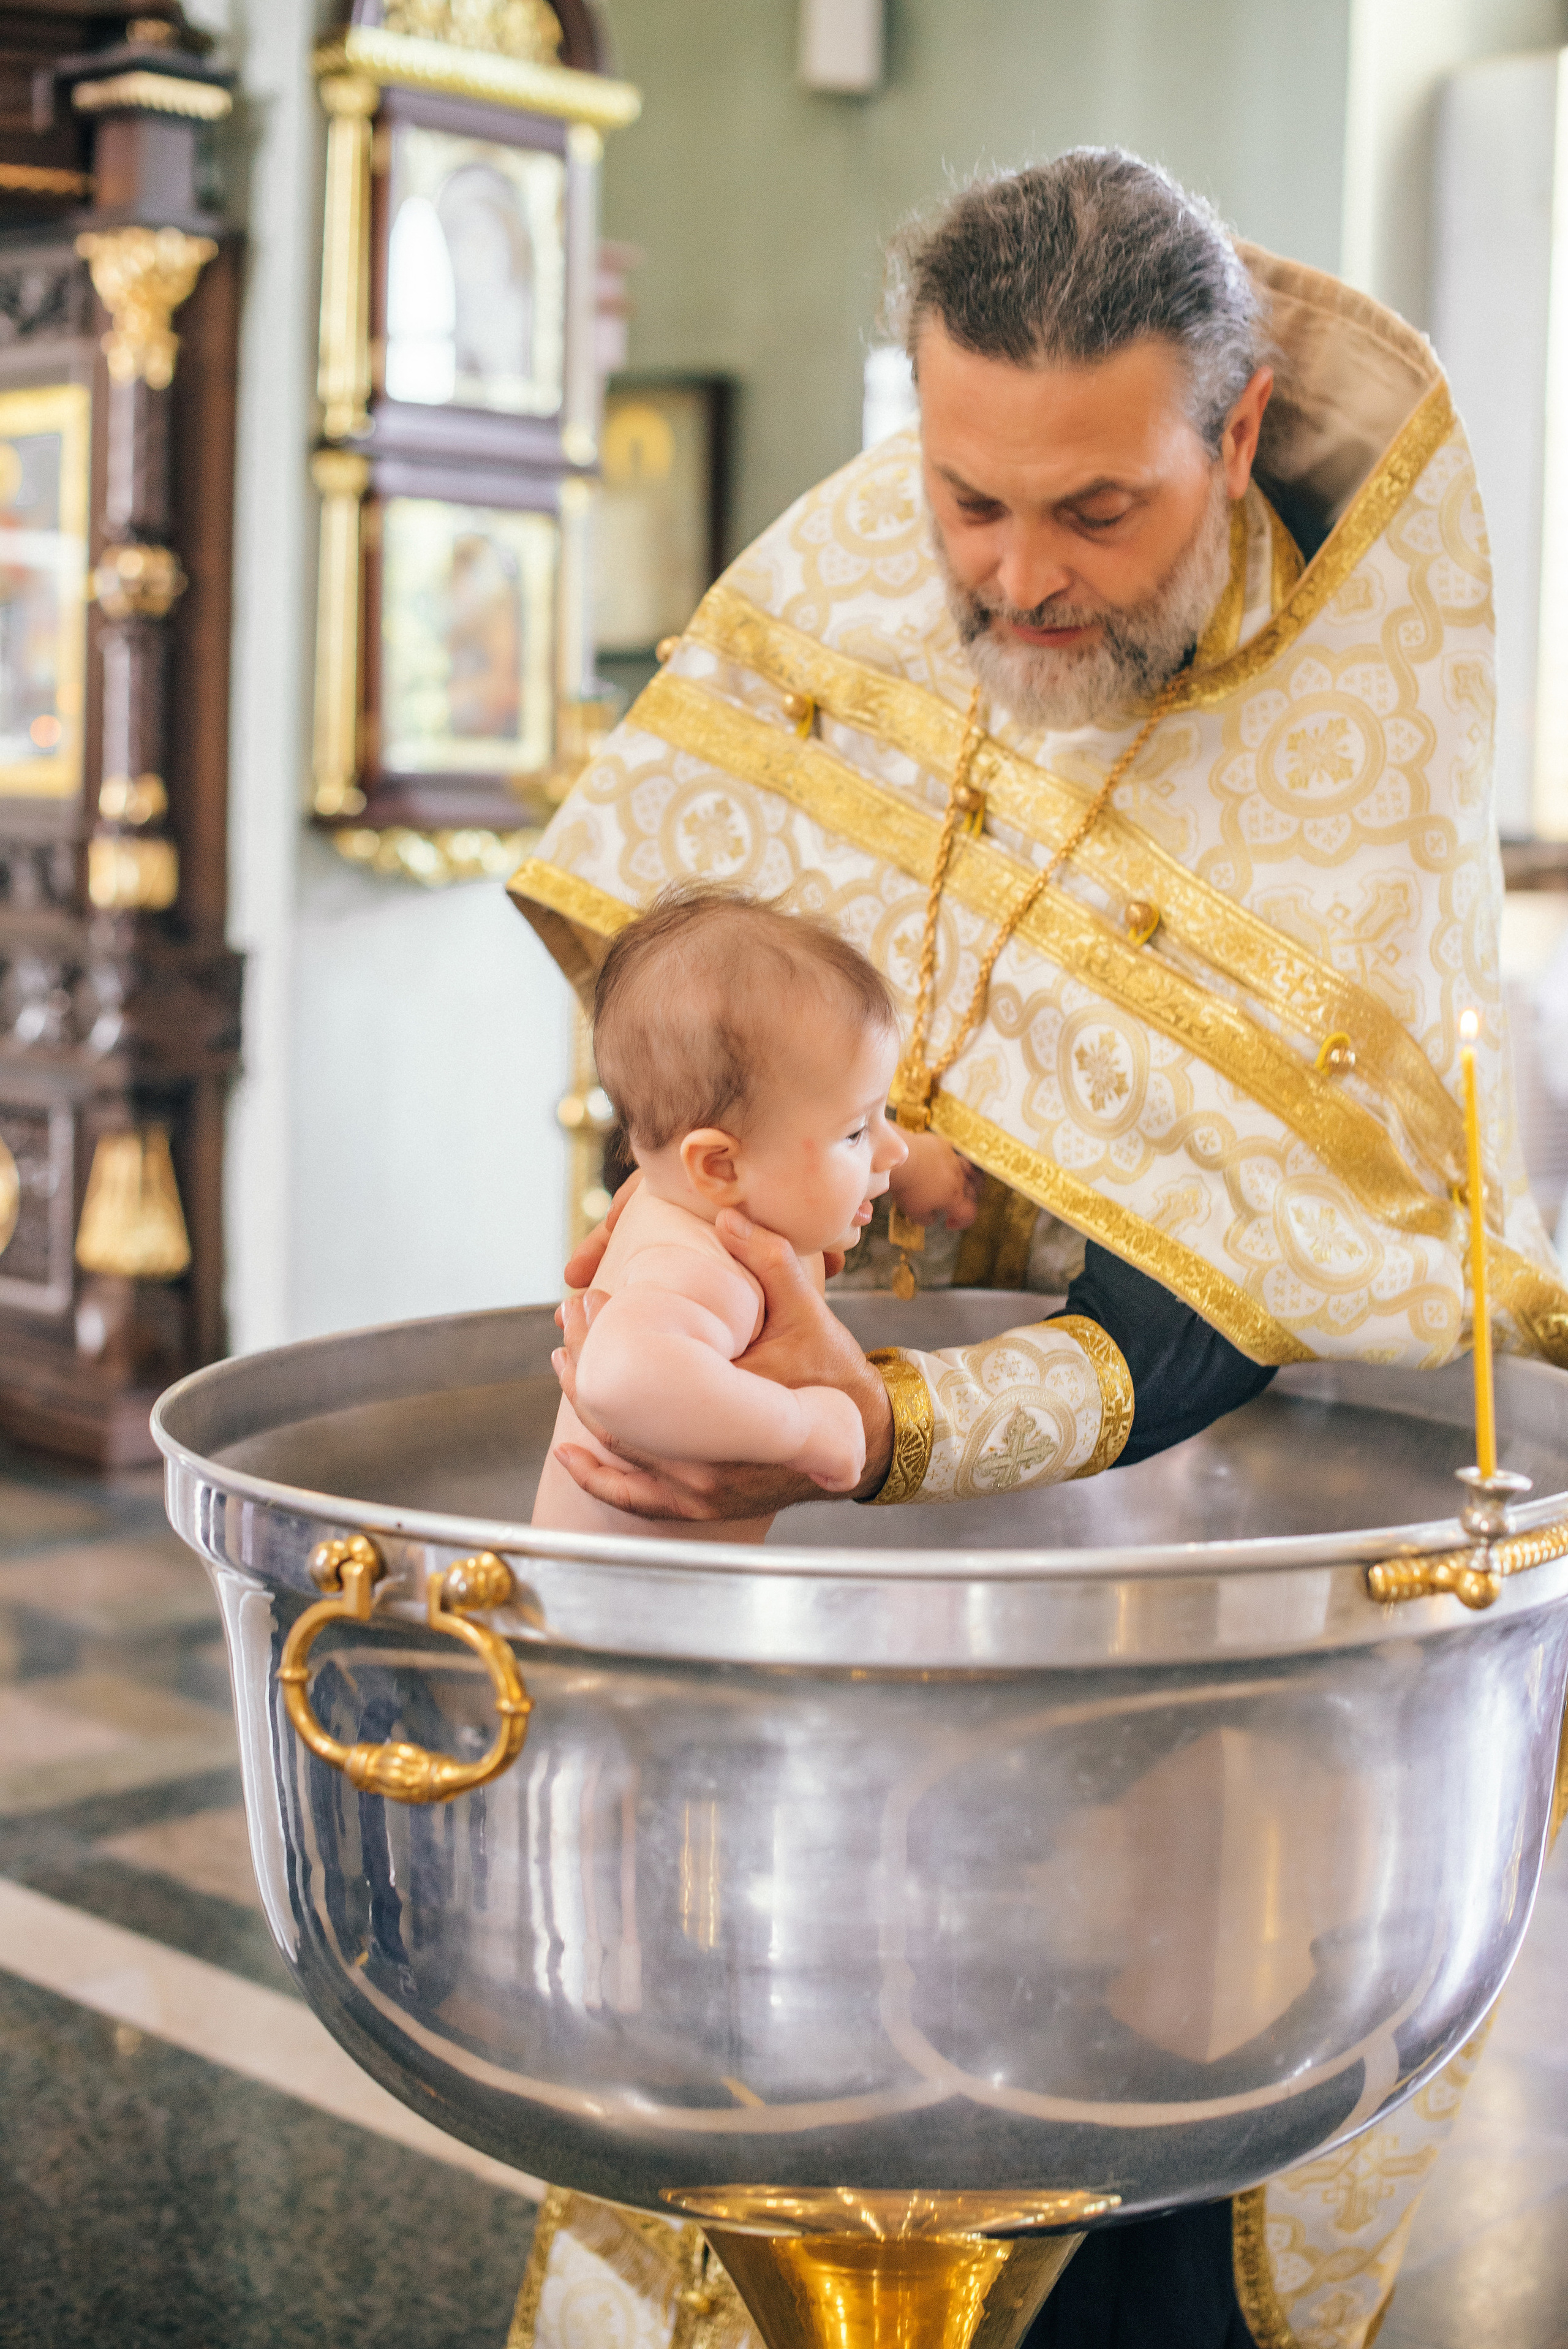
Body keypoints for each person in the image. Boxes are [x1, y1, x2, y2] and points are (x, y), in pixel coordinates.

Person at [509, 148, 1568, 2349]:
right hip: (787, 1565)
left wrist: (869, 1412)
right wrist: (674, 1242)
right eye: (965, 496)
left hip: (1151, 1590)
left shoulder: (1351, 716)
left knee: (1130, 2130)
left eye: (1096, 512)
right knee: (741, 2087)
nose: (1012, 578)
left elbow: (1265, 1259)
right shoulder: (855, 571)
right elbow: (680, 995)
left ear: (1236, 423)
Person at [532, 889, 913, 1536]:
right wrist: (803, 1425)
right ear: (719, 1167)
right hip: (629, 1620)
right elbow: (620, 1375)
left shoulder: (688, 1199)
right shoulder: (701, 1269)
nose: (896, 1149)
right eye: (856, 1132)